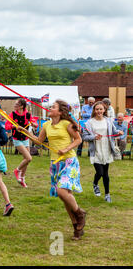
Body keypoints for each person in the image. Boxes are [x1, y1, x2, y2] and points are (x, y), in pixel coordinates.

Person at [25, 100, 86, 240]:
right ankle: (76, 227)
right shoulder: (46, 125)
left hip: (69, 161)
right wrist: (25, 132)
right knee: (64, 197)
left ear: (60, 112)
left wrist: (65, 149)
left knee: (61, 191)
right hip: (55, 164)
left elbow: (78, 140)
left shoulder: (67, 124)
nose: (50, 108)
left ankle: (80, 213)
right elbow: (39, 142)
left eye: (53, 107)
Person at [82, 101, 123, 203]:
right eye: (97, 109)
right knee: (99, 172)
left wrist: (118, 132)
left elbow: (113, 132)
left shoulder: (108, 121)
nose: (99, 111)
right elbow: (84, 136)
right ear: (94, 111)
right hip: (96, 150)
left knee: (106, 174)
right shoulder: (89, 123)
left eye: (101, 109)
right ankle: (95, 184)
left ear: (104, 110)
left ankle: (107, 194)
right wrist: (94, 137)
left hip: (106, 149)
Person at [5, 98, 38, 187]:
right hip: (17, 139)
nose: (15, 105)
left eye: (16, 104)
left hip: (26, 139)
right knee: (29, 158)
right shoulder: (12, 114)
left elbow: (35, 123)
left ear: (21, 106)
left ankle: (22, 178)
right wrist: (13, 126)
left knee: (26, 160)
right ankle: (17, 170)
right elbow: (7, 126)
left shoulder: (27, 115)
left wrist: (34, 124)